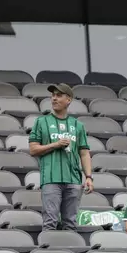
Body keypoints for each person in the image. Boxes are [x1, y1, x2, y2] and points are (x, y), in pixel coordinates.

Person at [28, 83, 94, 231]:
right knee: (50, 222)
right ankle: (49, 252)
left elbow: (84, 153)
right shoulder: (41, 122)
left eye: (58, 95)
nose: (54, 99)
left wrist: (88, 177)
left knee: (70, 224)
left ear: (68, 100)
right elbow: (33, 149)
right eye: (53, 95)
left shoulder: (78, 125)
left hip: (74, 180)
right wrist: (55, 144)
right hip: (51, 179)